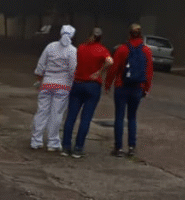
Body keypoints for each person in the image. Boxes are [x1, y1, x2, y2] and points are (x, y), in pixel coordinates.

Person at [62, 28, 113, 159]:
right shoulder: (102, 50)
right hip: (93, 85)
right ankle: (78, 148)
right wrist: (99, 72)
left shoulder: (81, 48)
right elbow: (110, 61)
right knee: (86, 118)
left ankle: (66, 146)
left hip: (78, 83)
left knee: (71, 116)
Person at [106, 24, 153, 158]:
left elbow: (114, 68)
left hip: (122, 86)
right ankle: (132, 147)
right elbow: (149, 72)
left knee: (119, 117)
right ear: (141, 34)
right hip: (137, 87)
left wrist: (108, 84)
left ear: (129, 34)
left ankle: (118, 148)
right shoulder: (146, 51)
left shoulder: (122, 49)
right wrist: (146, 88)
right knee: (132, 117)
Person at [31, 25, 77, 152]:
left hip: (47, 84)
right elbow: (73, 70)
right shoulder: (72, 50)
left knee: (42, 112)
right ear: (73, 36)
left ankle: (36, 140)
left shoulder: (50, 47)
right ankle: (53, 142)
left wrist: (39, 79)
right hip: (63, 86)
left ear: (60, 33)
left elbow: (40, 66)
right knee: (56, 114)